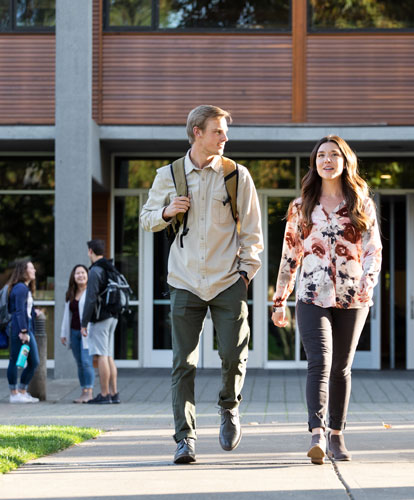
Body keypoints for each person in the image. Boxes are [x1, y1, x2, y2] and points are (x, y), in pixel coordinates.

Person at [140, 104, 263, 464]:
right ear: (197, 132)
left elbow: (252, 232)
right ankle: (185, 438)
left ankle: (229, 407)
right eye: (218, 131)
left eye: (225, 131)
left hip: (228, 281)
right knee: (183, 363)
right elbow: (147, 218)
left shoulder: (237, 175)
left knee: (234, 354)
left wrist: (245, 274)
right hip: (184, 281)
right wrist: (167, 212)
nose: (225, 138)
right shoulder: (169, 174)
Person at [271, 135, 382, 464]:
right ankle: (317, 433)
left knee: (342, 368)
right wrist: (279, 301)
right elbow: (290, 255)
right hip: (311, 295)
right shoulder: (301, 206)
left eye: (334, 154)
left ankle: (336, 434)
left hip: (353, 297)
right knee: (319, 363)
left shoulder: (361, 203)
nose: (328, 160)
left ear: (346, 162)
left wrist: (368, 281)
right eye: (322, 155)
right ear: (314, 163)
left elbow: (373, 249)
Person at [81, 239, 120, 405]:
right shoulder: (110, 267)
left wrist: (84, 322)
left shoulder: (96, 270)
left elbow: (91, 298)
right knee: (108, 354)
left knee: (102, 356)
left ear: (90, 251)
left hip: (101, 317)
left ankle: (104, 394)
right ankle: (114, 393)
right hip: (113, 316)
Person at [6, 260, 40, 403]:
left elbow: (25, 309)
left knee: (34, 362)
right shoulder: (20, 288)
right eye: (31, 268)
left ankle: (22, 391)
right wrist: (23, 331)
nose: (34, 271)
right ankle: (14, 394)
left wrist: (33, 312)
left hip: (26, 329)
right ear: (23, 271)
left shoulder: (24, 288)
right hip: (20, 330)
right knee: (14, 360)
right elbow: (19, 311)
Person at [60, 264, 95, 403]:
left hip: (87, 332)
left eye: (83, 273)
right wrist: (63, 333)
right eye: (77, 273)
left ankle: (90, 392)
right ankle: (83, 391)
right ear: (73, 277)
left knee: (87, 362)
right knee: (79, 363)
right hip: (74, 332)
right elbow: (66, 315)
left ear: (87, 275)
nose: (80, 275)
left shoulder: (91, 291)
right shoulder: (71, 293)